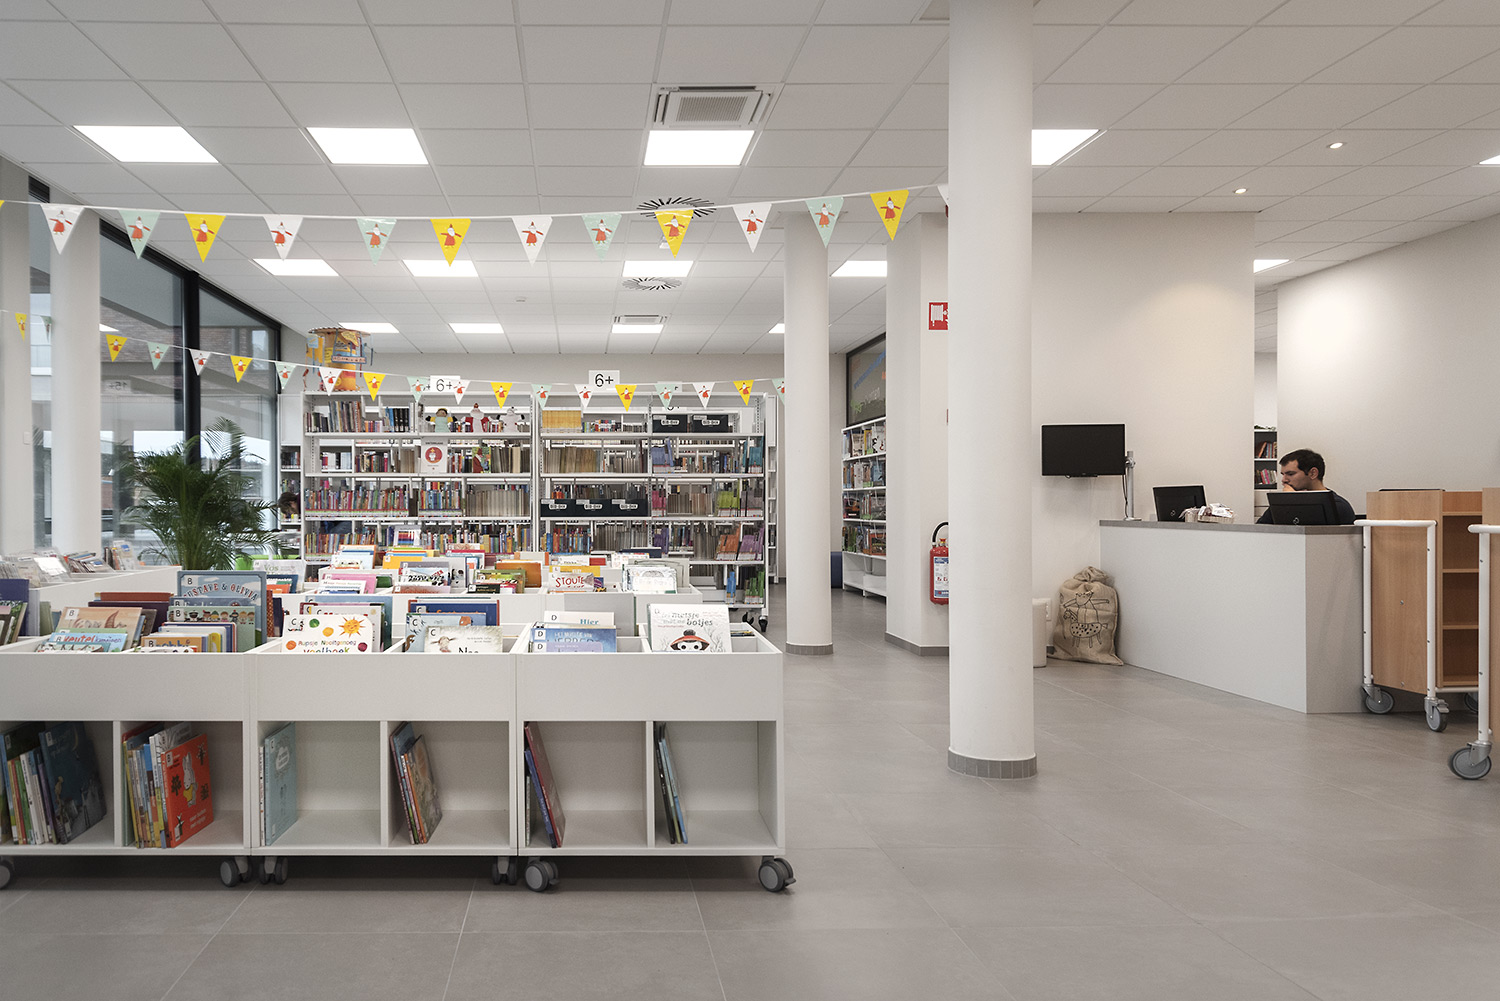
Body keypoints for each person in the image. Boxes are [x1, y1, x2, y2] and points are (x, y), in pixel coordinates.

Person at [1257, 448, 1356, 525]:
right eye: (1283, 474)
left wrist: (1293, 501)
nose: (1284, 480)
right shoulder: (1283, 503)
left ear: (1313, 473)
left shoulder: (1338, 506)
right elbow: (1260, 530)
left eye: (1290, 474)